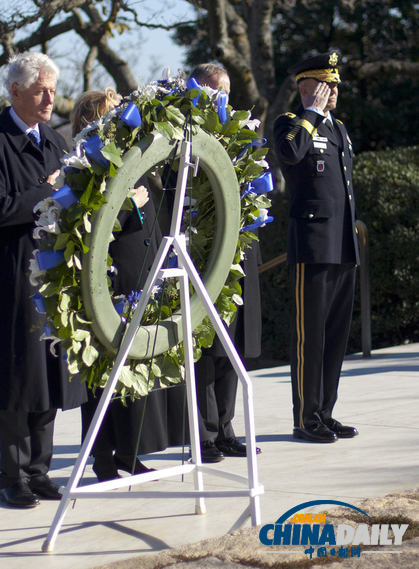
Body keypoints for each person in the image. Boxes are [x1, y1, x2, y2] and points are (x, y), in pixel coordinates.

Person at [0, 52, 87, 508]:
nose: (49, 98)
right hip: (12, 277)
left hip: (54, 275)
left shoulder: (57, 142)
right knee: (18, 378)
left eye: (54, 90)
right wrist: (49, 188)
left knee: (47, 377)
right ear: (15, 92)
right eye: (40, 90)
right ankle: (12, 474)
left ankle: (40, 469)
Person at [70, 88, 172, 481]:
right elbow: (88, 221)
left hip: (143, 272)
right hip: (111, 278)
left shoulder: (133, 156)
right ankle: (102, 457)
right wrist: (124, 200)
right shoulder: (88, 162)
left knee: (135, 372)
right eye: (114, 114)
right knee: (104, 374)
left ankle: (131, 451)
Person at [274, 51, 359, 443]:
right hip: (312, 243)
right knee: (310, 335)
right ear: (306, 87)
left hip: (341, 243)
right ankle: (306, 418)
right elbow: (289, 153)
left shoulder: (339, 129)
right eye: (327, 84)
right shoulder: (291, 123)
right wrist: (310, 113)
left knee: (335, 333)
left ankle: (325, 411)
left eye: (336, 84)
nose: (334, 90)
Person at [188, 63, 262, 462]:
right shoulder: (186, 130)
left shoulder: (238, 130)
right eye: (216, 91)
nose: (223, 99)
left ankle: (228, 428)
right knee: (207, 345)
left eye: (227, 91)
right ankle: (206, 433)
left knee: (233, 345)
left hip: (238, 248)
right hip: (204, 251)